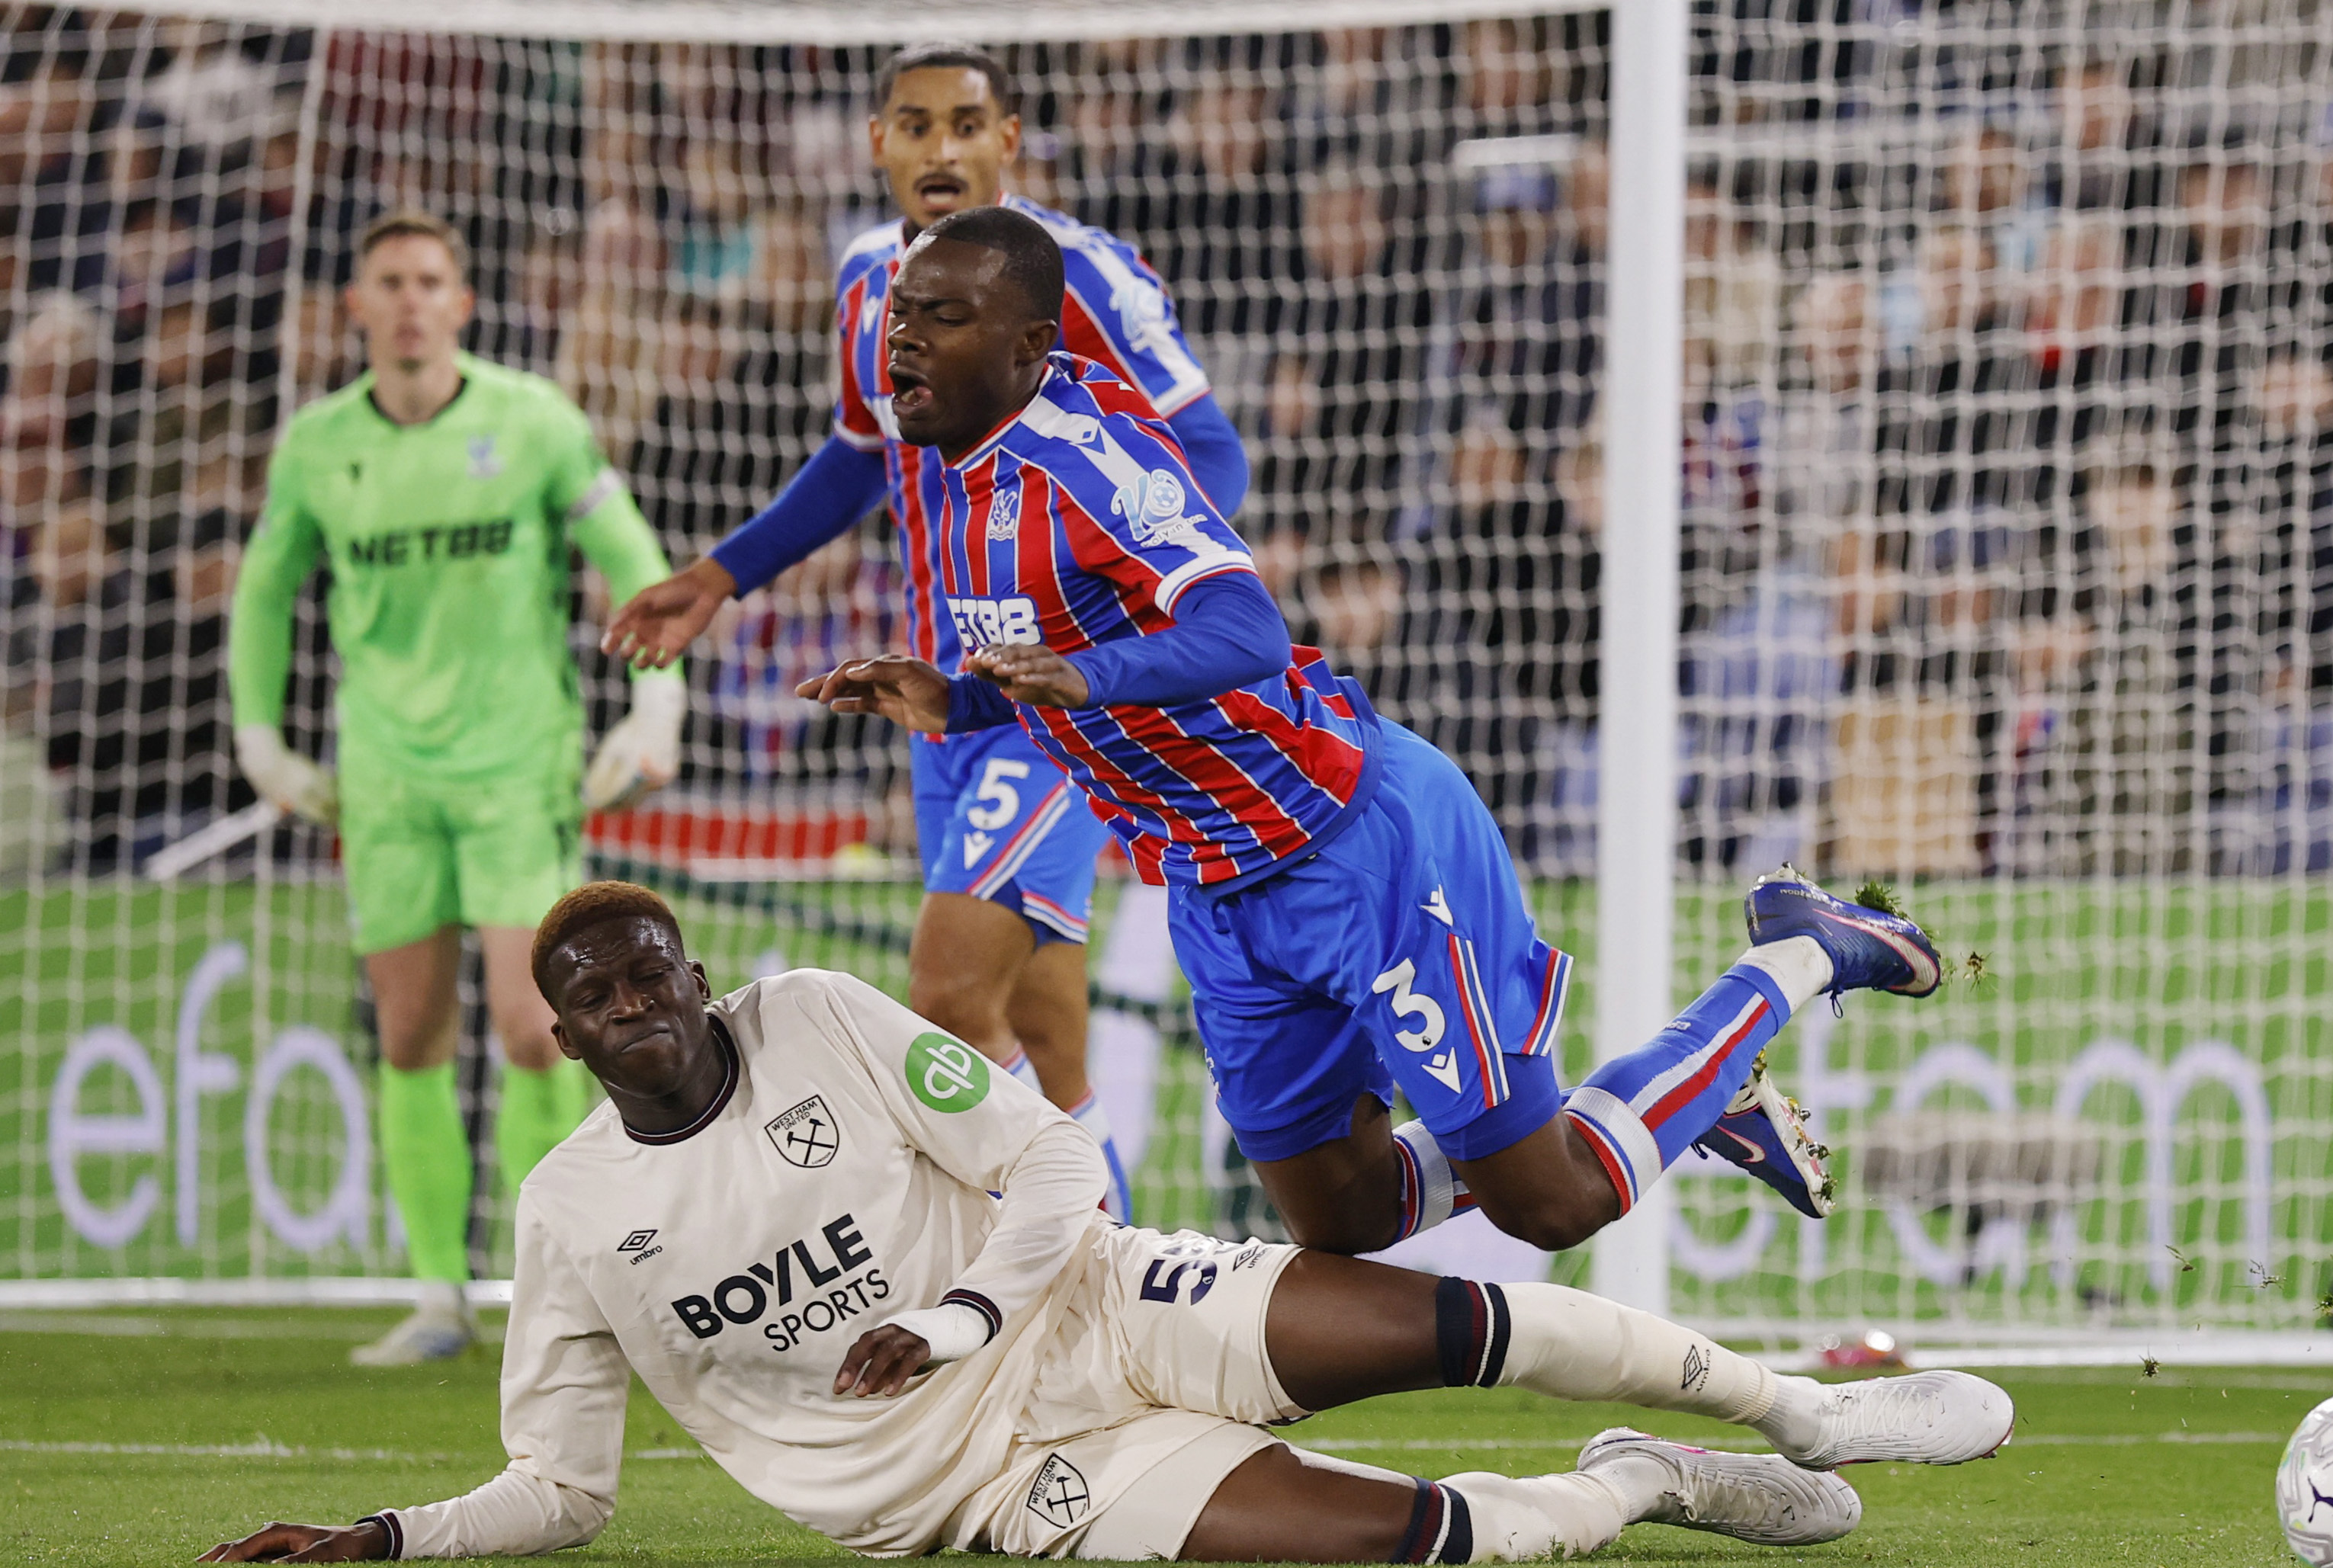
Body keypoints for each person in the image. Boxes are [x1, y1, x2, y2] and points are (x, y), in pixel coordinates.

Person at [730, 207, 1942, 1261]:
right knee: (1342, 1219)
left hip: (1349, 846)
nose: (902, 343)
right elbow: (1052, 658)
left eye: (941, 318)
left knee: (1553, 1203)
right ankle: (1660, 1107)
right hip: (1213, 888)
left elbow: (1243, 628)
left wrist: (1082, 675)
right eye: (900, 317)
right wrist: (963, 697)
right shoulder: (942, 468)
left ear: (1028, 346)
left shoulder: (1086, 463)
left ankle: (1790, 963)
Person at [195, 882, 2013, 1568]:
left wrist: (977, 1313)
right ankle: (1644, 1481)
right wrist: (387, 1537)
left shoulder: (818, 1016)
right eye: (598, 995)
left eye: (659, 970)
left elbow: (1056, 1164)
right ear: (563, 1035)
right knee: (1428, 1543)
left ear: (697, 975)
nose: (641, 1004)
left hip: (1090, 1306)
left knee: (1452, 1318)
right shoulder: (573, 1214)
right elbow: (567, 1490)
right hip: (985, 1494)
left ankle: (1796, 1406)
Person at [601, 43, 1250, 1217]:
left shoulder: (1080, 277)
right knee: (1044, 1032)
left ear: (1011, 139)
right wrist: (720, 574)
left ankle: (1067, 1266)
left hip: (1045, 694)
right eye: (914, 126)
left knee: (948, 993)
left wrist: (1104, 617)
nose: (940, 150)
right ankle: (1116, 1267)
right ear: (876, 145)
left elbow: (1208, 457)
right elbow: (861, 454)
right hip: (937, 694)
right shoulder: (866, 279)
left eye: (965, 124)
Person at [226, 210, 688, 1365]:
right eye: (391, 281)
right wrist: (259, 740)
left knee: (539, 1035)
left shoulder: (533, 423)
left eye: (432, 280)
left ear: (463, 303)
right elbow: (264, 595)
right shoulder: (317, 446)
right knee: (410, 1030)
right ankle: (438, 1295)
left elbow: (633, 561)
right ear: (358, 307)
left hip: (515, 763)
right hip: (382, 775)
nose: (413, 299)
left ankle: (561, 1284)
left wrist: (656, 704)